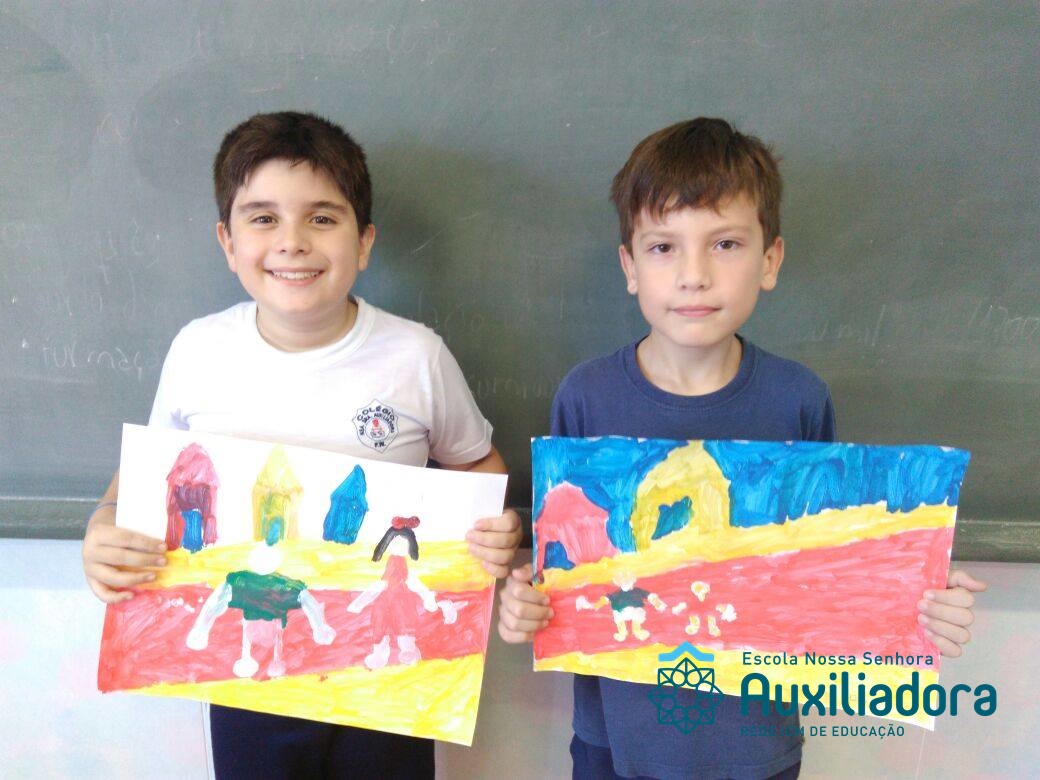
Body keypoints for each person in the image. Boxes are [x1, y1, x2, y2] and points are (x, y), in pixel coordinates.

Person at [497, 118, 986, 780]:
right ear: (630, 268)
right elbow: (559, 567)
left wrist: (919, 595)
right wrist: (524, 603)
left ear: (770, 261)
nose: (693, 276)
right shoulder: (585, 397)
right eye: (663, 247)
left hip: (756, 746)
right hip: (616, 743)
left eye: (725, 244)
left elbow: (824, 564)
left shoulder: (798, 399)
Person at [81, 111, 521, 778]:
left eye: (321, 217)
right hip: (246, 683)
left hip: (385, 687)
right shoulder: (199, 351)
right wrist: (102, 525)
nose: (292, 242)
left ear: (364, 242)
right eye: (263, 218)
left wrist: (497, 528)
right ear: (228, 241)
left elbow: (479, 469)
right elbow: (144, 480)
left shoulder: (415, 356)